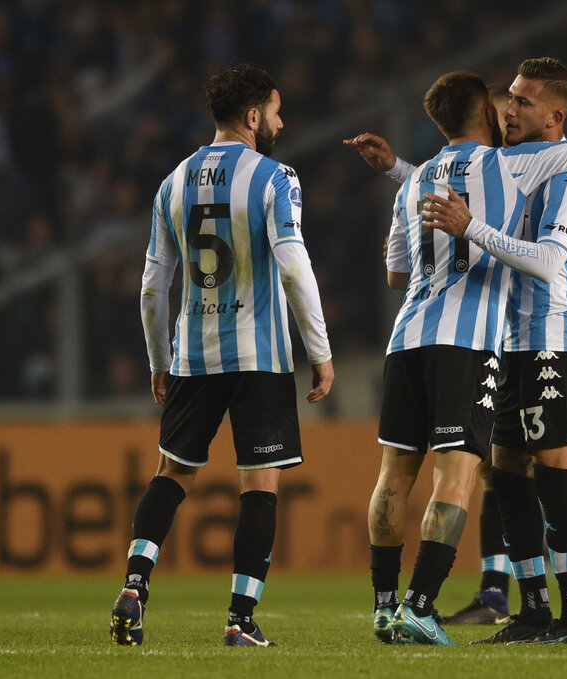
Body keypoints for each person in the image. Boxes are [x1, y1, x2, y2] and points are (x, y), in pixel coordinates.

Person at [358, 70, 567, 646]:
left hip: (550, 338)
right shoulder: (504, 165)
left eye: (521, 101)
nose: (508, 109)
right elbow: (446, 174)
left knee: (554, 480)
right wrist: (395, 169)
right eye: (506, 99)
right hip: (499, 341)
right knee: (505, 478)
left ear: (553, 118)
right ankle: (532, 610)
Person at [110, 63, 334, 649]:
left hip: (193, 355)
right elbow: (292, 265)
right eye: (276, 111)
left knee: (172, 474)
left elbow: (153, 286)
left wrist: (160, 359)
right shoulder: (275, 178)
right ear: (253, 116)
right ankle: (239, 620)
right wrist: (320, 349)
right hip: (259, 356)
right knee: (259, 485)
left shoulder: (172, 183)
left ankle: (134, 586)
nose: (281, 122)